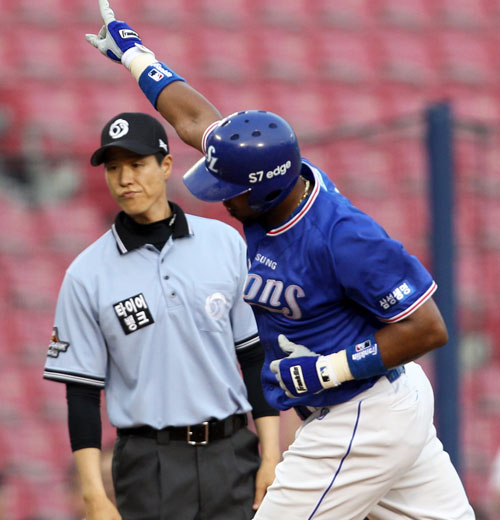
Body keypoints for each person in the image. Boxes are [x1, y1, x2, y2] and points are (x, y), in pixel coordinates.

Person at [84, 1, 475, 518]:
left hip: (358, 413)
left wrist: (329, 370)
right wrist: (136, 56)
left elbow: (427, 327)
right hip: (374, 409)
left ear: (266, 191)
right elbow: (196, 119)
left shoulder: (341, 236)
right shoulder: (262, 170)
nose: (220, 197)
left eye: (230, 190)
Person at [43, 109, 281, 520]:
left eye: (136, 164)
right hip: (147, 464)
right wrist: (93, 496)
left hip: (231, 452)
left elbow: (255, 356)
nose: (124, 178)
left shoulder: (225, 243)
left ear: (166, 165)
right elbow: (81, 393)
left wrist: (272, 455)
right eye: (113, 168)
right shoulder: (85, 274)